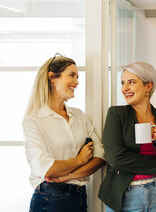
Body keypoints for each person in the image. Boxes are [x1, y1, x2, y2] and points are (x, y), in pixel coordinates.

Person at [99, 62, 156, 212]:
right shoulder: (116, 114)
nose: (124, 88)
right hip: (125, 197)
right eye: (123, 83)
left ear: (148, 86)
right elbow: (116, 159)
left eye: (131, 82)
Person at [23, 54, 106, 212]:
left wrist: (68, 176)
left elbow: (101, 157)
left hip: (80, 196)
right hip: (50, 197)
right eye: (72, 75)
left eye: (77, 76)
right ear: (52, 78)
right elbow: (46, 168)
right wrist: (80, 160)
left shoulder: (79, 116)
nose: (77, 82)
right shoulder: (34, 121)